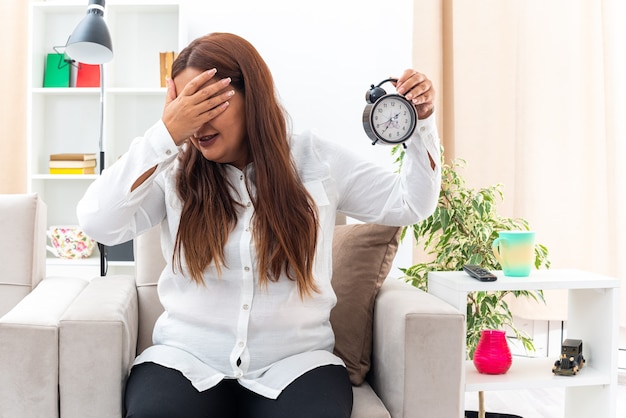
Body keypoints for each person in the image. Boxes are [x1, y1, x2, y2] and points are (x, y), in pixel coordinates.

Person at [77, 32, 440, 418]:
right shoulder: (173, 171)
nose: (198, 123)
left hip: (298, 364)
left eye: (209, 103)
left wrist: (422, 127)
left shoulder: (315, 160)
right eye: (187, 108)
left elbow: (411, 202)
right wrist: (164, 135)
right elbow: (97, 222)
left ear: (252, 96)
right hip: (186, 359)